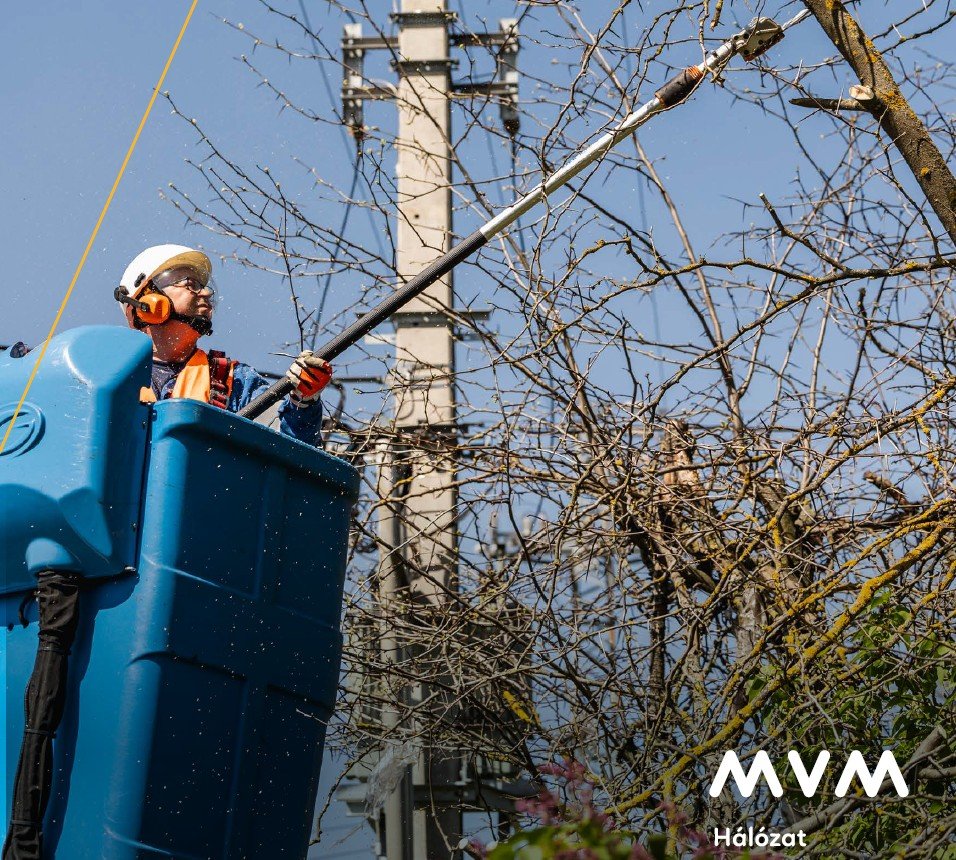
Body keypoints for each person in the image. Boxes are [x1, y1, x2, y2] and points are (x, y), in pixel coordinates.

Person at [116, 244, 331, 446]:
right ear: (147, 302)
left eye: (203, 286)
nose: (207, 293)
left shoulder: (231, 380)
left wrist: (304, 402)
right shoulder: (112, 377)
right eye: (190, 284)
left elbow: (290, 448)